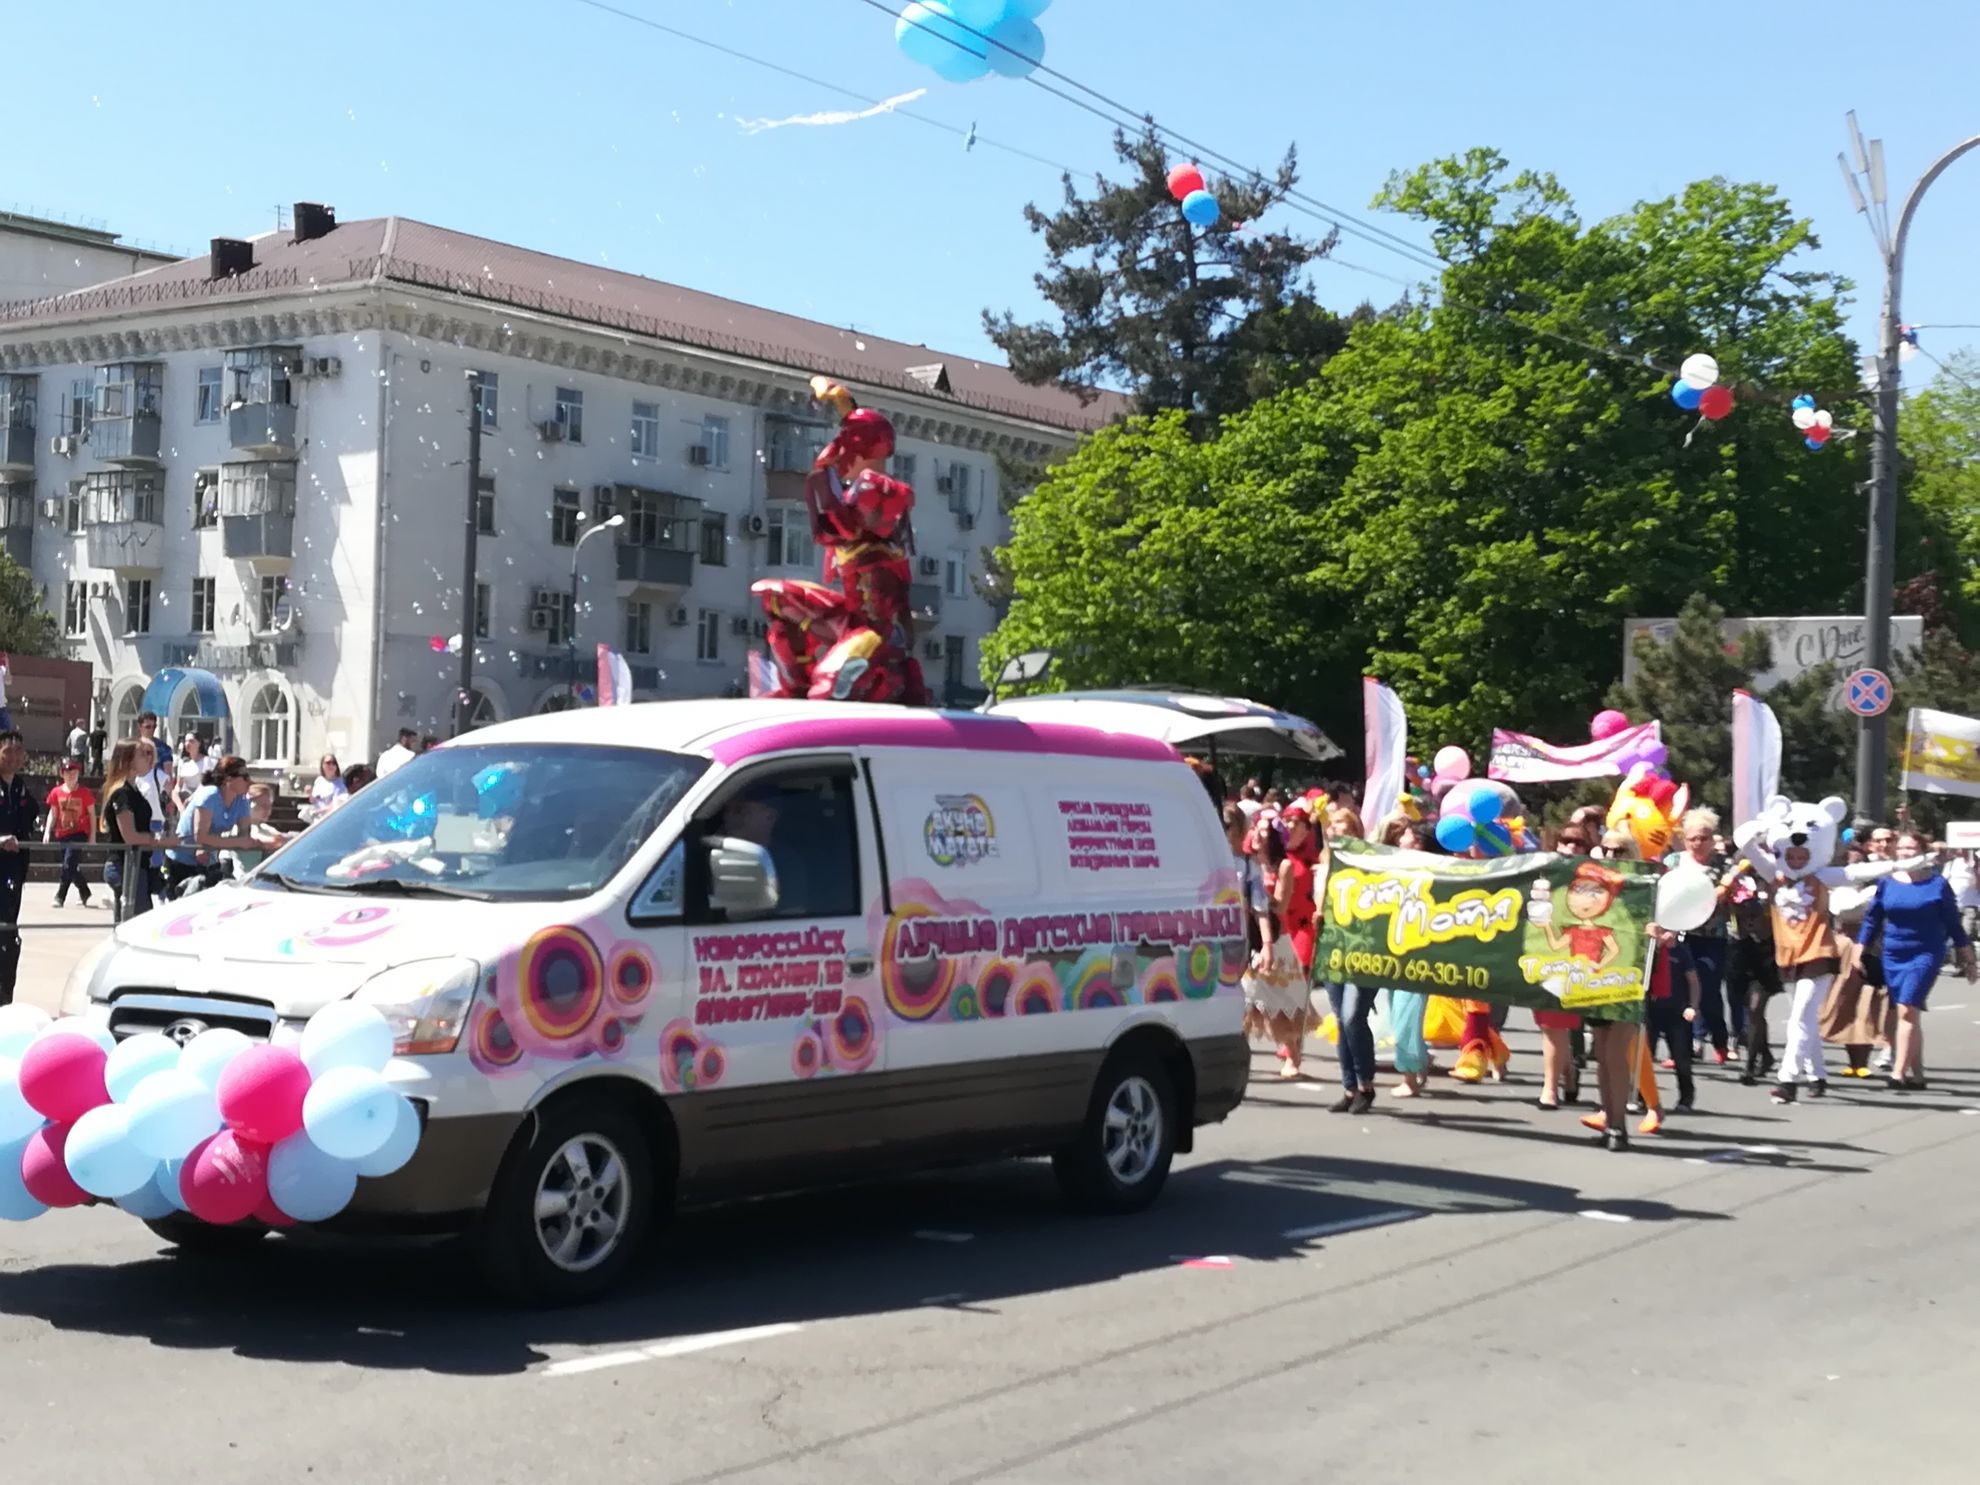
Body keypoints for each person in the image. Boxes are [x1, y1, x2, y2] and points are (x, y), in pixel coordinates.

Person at [1859, 828, 1976, 1090]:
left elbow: (1953, 924)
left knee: (1906, 1008)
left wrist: (1968, 958)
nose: (1905, 853)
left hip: (1926, 952)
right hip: (1893, 952)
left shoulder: (1937, 884)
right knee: (1909, 1014)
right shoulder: (1887, 882)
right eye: (1901, 849)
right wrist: (1860, 948)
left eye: (1910, 849)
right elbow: (1872, 918)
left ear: (1922, 852)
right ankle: (1919, 1074)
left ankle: (1898, 1073)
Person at [1318, 803, 1376, 1114]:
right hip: (1332, 949)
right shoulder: (1325, 861)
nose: (1334, 829)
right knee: (1341, 1020)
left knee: (1354, 1016)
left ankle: (1367, 1082)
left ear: (1354, 831)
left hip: (1362, 950)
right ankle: (1350, 1088)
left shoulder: (1369, 864)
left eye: (1342, 824)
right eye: (1332, 825)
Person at [1666, 807, 1735, 1062]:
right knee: (1679, 991)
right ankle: (1684, 1048)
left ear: (1712, 838)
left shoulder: (1723, 865)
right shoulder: (1674, 862)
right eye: (1692, 838)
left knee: (1708, 991)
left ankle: (1719, 1039)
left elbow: (1729, 893)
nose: (1698, 843)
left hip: (1711, 936)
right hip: (1680, 933)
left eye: (1703, 838)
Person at [1377, 814, 1434, 1098]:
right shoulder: (1396, 866)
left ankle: (1410, 1076)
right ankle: (1420, 1059)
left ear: (1420, 843)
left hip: (1418, 952)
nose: (1401, 839)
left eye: (1408, 835)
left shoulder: (1435, 872)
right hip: (1394, 950)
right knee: (1398, 1008)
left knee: (1406, 1013)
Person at [1723, 860, 1782, 1085]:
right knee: (1746, 1006)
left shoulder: (1775, 880)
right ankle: (1765, 1055)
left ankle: (1749, 1066)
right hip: (1739, 950)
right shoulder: (1733, 881)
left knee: (1756, 1009)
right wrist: (1736, 873)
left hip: (1767, 952)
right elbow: (1720, 903)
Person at [165, 755, 257, 896]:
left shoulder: (242, 800)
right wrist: (235, 841)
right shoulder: (210, 795)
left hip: (209, 860)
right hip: (181, 860)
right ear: (228, 778)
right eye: (244, 776)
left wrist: (217, 843)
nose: (249, 781)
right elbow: (200, 837)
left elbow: (245, 835)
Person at [99, 740, 166, 922]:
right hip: (124, 865)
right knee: (137, 922)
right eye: (142, 754)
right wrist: (159, 839)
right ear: (128, 761)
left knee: (132, 921)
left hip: (135, 865)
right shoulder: (122, 793)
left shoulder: (133, 789)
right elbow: (130, 835)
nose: (148, 758)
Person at [1643, 925, 1701, 1112]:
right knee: (1644, 1056)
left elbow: (1693, 981)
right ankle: (1640, 1096)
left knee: (1681, 1058)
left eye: (1672, 931)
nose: (1668, 935)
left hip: (1676, 1010)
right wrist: (1657, 946)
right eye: (1664, 930)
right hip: (1652, 1009)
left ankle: (1686, 1097)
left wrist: (1692, 1006)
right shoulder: (1651, 951)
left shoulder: (1682, 952)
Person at [0, 729, 31, 1002]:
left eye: (18, 751)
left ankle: (5, 996)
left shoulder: (21, 788)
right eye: (8, 751)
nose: (14, 757)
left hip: (13, 873)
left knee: (9, 935)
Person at [42, 756, 95, 909]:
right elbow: (53, 813)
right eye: (67, 772)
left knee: (68, 863)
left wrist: (92, 836)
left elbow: (92, 814)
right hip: (63, 833)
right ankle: (84, 890)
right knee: (70, 865)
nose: (71, 776)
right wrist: (47, 831)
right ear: (62, 774)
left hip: (79, 832)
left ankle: (60, 896)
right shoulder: (56, 792)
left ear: (79, 774)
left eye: (74, 772)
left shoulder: (85, 793)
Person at [172, 732, 211, 816]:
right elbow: (178, 785)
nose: (188, 744)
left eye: (191, 741)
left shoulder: (206, 761)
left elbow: (205, 784)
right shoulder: (184, 764)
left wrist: (191, 798)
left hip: (202, 802)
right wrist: (180, 806)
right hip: (185, 803)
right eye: (186, 741)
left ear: (199, 743)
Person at [306, 754, 348, 822]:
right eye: (328, 763)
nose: (331, 765)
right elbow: (315, 800)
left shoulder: (340, 783)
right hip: (317, 818)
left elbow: (337, 804)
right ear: (322, 765)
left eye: (333, 763)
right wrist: (309, 794)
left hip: (331, 819)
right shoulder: (319, 781)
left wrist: (318, 812)